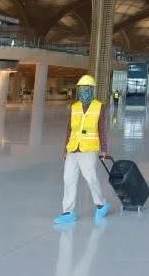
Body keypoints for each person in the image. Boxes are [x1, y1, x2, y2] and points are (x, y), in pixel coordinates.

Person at [54, 75, 110, 225]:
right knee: (68, 179)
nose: (84, 91)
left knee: (90, 178)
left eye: (86, 89)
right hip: (73, 148)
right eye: (81, 89)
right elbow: (69, 129)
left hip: (89, 149)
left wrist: (104, 149)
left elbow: (102, 129)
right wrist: (65, 149)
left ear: (92, 90)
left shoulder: (99, 106)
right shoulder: (74, 107)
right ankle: (68, 211)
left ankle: (101, 204)